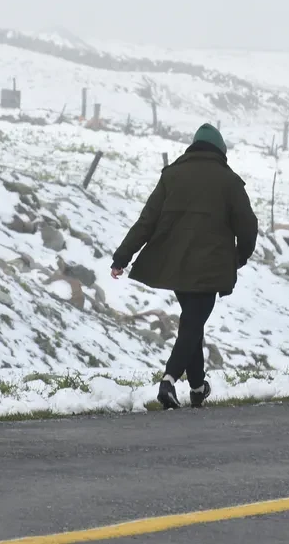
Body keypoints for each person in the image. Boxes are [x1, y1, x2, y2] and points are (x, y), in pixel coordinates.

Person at [111, 124, 257, 410]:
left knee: (192, 323)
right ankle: (168, 380)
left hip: (176, 266)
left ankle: (197, 387)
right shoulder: (229, 181)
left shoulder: (172, 176)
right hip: (211, 268)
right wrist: (239, 257)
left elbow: (147, 221)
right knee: (192, 323)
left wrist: (122, 257)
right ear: (220, 151)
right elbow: (248, 226)